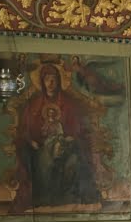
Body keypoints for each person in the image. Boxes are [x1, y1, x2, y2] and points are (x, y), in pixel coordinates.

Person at [13, 63, 99, 211]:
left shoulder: (69, 104)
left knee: (75, 160)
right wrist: (32, 141)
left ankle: (68, 197)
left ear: (59, 81)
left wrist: (69, 140)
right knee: (43, 161)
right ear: (42, 81)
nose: (51, 83)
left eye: (54, 79)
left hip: (66, 147)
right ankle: (44, 198)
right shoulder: (33, 104)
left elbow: (76, 131)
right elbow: (26, 131)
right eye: (47, 79)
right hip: (41, 148)